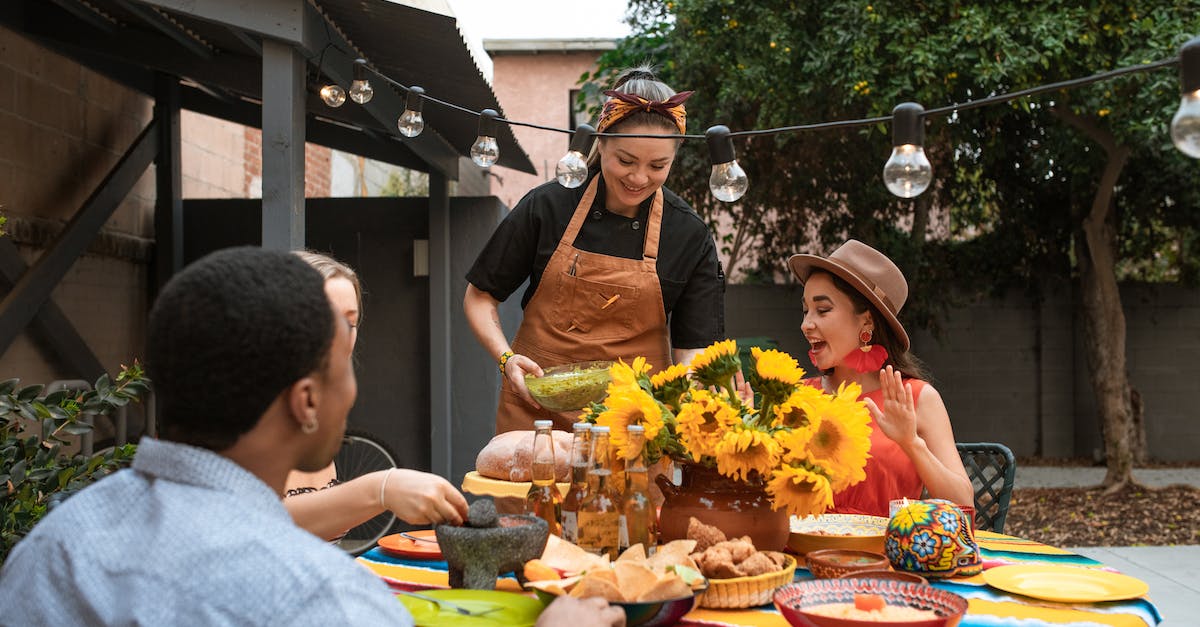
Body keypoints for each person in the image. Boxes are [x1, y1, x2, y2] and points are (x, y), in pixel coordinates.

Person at [0, 247, 409, 625]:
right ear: (306, 401)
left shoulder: (52, 549)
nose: (351, 388)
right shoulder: (330, 603)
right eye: (340, 369)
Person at [465, 65, 726, 434]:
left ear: (675, 158)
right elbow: (479, 296)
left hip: (634, 431)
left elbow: (694, 348)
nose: (638, 178)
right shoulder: (549, 206)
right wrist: (507, 359)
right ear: (600, 143)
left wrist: (681, 397)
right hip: (536, 419)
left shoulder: (687, 234)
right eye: (625, 160)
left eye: (658, 165)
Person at [283, 251, 468, 540]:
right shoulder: (255, 413)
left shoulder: (315, 410)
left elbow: (321, 527)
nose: (343, 333)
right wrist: (381, 489)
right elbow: (256, 521)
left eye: (351, 321)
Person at [787, 239, 973, 517]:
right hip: (802, 554)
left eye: (822, 310)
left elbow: (964, 505)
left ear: (867, 321)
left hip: (885, 556)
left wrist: (910, 443)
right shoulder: (797, 396)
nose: (806, 324)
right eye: (805, 311)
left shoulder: (918, 398)